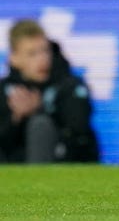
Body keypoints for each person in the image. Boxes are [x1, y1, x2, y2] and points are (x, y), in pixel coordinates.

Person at [0, 19, 99, 163]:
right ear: (14, 58)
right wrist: (16, 118)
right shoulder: (5, 90)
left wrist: (39, 109)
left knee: (40, 124)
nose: (42, 59)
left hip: (65, 164)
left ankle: (38, 181)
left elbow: (79, 126)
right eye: (32, 54)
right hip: (14, 165)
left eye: (45, 51)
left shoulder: (69, 84)